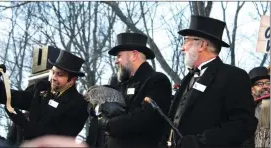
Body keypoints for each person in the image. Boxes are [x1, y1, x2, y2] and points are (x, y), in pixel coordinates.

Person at [168, 15, 258, 148]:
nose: (182, 48)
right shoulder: (189, 77)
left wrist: (200, 142)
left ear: (202, 45)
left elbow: (242, 124)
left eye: (186, 41)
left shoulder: (233, 76)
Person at [95, 32, 172, 148]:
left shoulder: (157, 80)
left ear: (134, 55)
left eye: (119, 56)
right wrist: (99, 108)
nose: (116, 61)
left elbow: (145, 118)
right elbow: (97, 105)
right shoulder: (117, 81)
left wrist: (109, 124)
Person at [0, 49, 88, 140]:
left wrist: (25, 125)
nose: (54, 77)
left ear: (72, 80)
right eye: (53, 72)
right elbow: (15, 97)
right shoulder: (42, 88)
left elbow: (61, 138)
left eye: (59, 74)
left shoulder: (79, 104)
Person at [249, 66, 270, 147]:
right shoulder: (247, 110)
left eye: (268, 83)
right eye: (260, 84)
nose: (265, 86)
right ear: (252, 89)